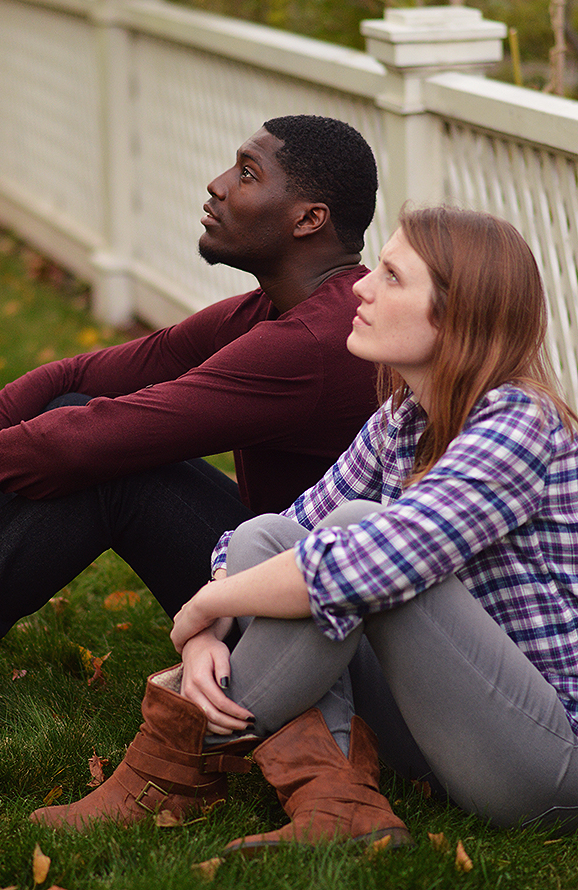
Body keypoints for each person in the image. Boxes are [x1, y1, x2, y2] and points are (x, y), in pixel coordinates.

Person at [33, 205, 578, 849]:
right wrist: (207, 631)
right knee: (275, 537)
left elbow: (365, 563)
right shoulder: (401, 419)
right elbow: (266, 536)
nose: (362, 288)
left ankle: (170, 763)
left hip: (542, 762)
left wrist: (210, 605)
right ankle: (337, 803)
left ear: (456, 315)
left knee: (353, 532)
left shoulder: (521, 423)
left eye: (393, 278)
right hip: (439, 732)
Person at [0, 115, 383, 649]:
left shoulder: (313, 343)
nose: (217, 185)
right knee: (74, 405)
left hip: (327, 623)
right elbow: (74, 375)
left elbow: (95, 440)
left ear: (308, 219)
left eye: (247, 174)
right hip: (272, 563)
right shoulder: (268, 313)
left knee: (112, 468)